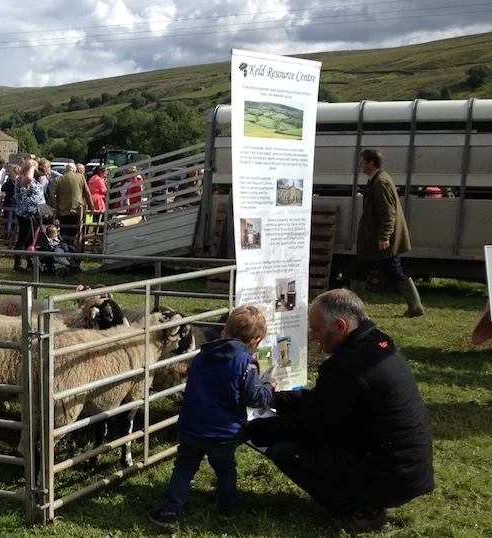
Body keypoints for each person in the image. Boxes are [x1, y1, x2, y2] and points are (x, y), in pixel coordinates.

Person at [245, 289, 434, 534]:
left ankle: (363, 513)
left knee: (286, 450)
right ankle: (365, 498)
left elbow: (311, 425)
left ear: (340, 326)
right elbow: (324, 402)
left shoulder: (348, 368)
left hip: (392, 474)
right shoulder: (376, 343)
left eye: (316, 329)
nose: (312, 337)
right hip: (405, 466)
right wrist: (275, 398)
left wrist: (254, 429)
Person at [148, 305, 275, 529]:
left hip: (191, 427)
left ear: (224, 332)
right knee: (225, 469)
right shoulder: (246, 364)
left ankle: (168, 510)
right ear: (255, 342)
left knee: (184, 468)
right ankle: (228, 508)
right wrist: (268, 386)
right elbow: (255, 398)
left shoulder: (200, 357)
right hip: (223, 432)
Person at [350, 148, 424, 317]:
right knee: (390, 270)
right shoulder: (378, 179)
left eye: (362, 162)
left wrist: (384, 236)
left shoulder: (380, 182)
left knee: (362, 271)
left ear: (370, 163)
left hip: (378, 239)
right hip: (375, 238)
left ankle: (355, 311)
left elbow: (388, 212)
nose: (360, 165)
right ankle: (415, 306)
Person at [11, 158, 46, 273]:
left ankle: (30, 263)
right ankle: (18, 264)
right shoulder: (21, 180)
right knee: (23, 238)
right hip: (26, 214)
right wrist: (32, 166)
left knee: (32, 240)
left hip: (35, 213)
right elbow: (29, 178)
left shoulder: (33, 181)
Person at [50, 160, 92, 243]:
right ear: (74, 169)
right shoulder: (81, 177)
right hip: (77, 209)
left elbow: (52, 194)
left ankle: (66, 248)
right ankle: (76, 249)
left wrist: (55, 208)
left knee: (64, 231)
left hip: (63, 210)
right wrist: (91, 207)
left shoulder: (58, 179)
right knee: (77, 230)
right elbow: (87, 193)